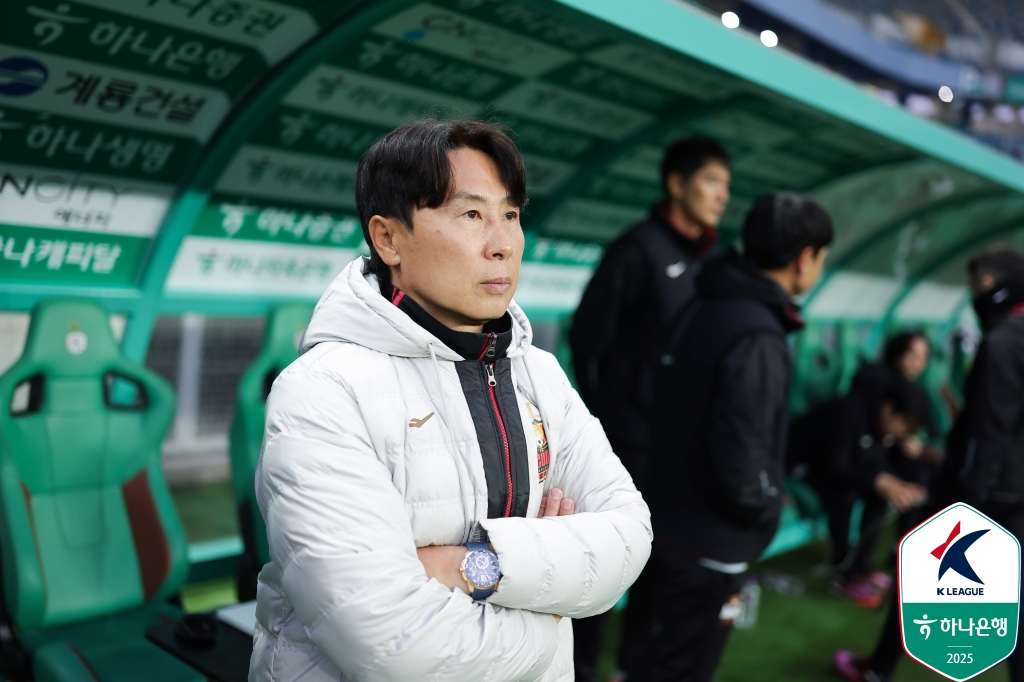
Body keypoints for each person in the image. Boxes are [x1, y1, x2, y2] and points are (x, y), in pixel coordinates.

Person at [249, 119, 652, 682]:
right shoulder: (323, 389)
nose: (502, 243)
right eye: (471, 215)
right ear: (388, 239)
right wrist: (551, 616)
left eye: (510, 215)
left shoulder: (538, 373)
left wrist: (472, 566)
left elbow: (629, 538)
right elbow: (390, 643)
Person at [645, 192, 833, 682]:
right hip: (711, 539)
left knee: (657, 658)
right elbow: (741, 451)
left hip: (666, 518)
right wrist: (763, 507)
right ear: (805, 258)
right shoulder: (757, 332)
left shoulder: (704, 304)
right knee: (684, 668)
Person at [569, 137, 730, 682]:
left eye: (726, 186)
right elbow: (588, 339)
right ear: (676, 184)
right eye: (711, 182)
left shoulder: (713, 260)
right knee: (606, 564)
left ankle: (631, 668)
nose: (722, 196)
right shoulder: (637, 250)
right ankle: (582, 669)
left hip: (680, 450)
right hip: (628, 444)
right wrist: (608, 417)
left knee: (659, 565)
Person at [836, 245, 1024, 682]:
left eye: (975, 287)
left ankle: (878, 670)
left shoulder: (1002, 343)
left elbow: (989, 432)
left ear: (988, 285)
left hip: (984, 492)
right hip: (1016, 492)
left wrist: (967, 501)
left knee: (924, 574)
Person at [788, 382, 930, 607]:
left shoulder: (881, 425)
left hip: (831, 470)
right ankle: (842, 574)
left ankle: (863, 567)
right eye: (906, 425)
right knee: (844, 496)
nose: (905, 434)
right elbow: (835, 469)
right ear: (889, 408)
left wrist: (897, 484)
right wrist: (877, 480)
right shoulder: (847, 413)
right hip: (802, 465)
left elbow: (873, 464)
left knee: (880, 493)